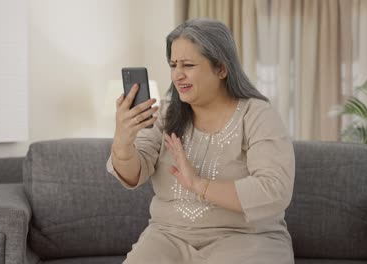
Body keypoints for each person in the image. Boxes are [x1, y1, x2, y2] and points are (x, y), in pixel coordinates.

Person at [107, 18, 295, 264]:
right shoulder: (165, 114)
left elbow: (274, 190)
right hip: (168, 237)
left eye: (188, 64)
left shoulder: (257, 114)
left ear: (221, 68)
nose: (177, 74)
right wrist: (122, 142)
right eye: (173, 64)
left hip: (246, 239)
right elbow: (133, 175)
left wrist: (199, 185)